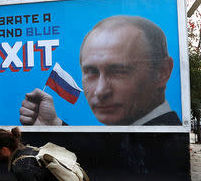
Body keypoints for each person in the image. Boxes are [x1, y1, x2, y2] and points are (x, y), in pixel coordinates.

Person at [19, 15, 181, 126]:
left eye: (119, 71)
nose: (101, 91)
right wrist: (54, 124)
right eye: (91, 72)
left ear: (162, 72)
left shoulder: (167, 145)